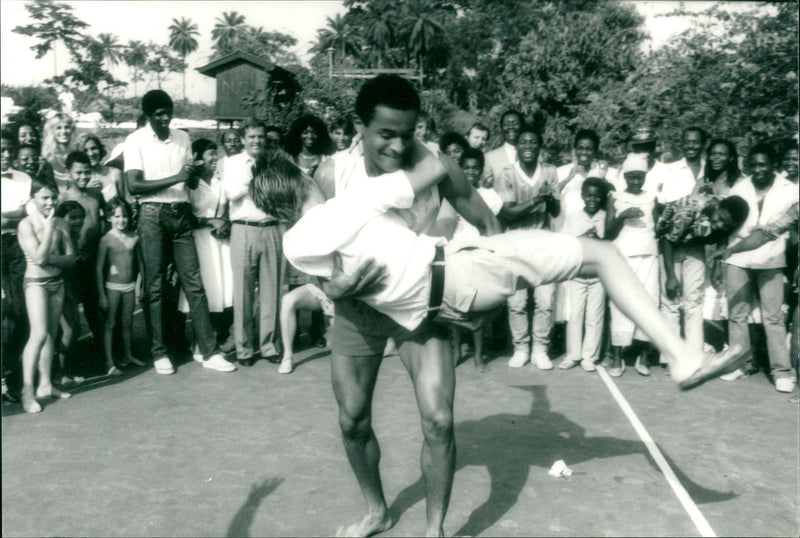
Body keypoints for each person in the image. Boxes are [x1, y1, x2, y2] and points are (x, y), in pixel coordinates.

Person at [252, 148, 741, 392]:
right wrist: (415, 148)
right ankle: (680, 358)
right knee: (604, 255)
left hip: (440, 303)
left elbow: (338, 290)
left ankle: (674, 350)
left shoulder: (295, 246)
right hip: (464, 275)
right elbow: (436, 169)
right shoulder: (351, 203)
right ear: (299, 180)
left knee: (587, 267)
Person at [296, 74, 502, 538]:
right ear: (359, 126)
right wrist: (333, 286)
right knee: (352, 421)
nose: (397, 145)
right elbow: (308, 248)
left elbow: (489, 223)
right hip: (358, 308)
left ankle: (435, 530)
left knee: (439, 421)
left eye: (407, 134)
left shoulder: (438, 167)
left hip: (421, 305)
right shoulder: (333, 173)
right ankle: (376, 511)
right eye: (385, 134)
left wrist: (496, 293)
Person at [125, 89, 234, 375]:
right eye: (159, 114)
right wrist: (176, 177)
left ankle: (209, 352)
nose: (165, 118)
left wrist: (195, 173)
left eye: (168, 112)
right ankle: (159, 352)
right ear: (149, 116)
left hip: (181, 212)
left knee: (195, 283)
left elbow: (191, 184)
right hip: (151, 214)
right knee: (156, 286)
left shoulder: (183, 138)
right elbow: (134, 186)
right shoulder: (134, 140)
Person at [718, 143, 798, 392]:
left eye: (763, 164)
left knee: (772, 317)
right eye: (753, 165)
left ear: (773, 165)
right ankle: (741, 364)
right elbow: (727, 222)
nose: (758, 169)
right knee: (737, 314)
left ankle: (781, 371)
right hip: (738, 257)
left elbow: (780, 230)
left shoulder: (791, 190)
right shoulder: (739, 187)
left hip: (772, 257)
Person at [494, 125, 561, 370]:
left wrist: (551, 197)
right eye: (524, 142)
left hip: (543, 242)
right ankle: (521, 347)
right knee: (517, 302)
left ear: (539, 146)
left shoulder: (550, 172)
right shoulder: (507, 174)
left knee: (545, 300)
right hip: (515, 243)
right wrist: (537, 199)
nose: (529, 147)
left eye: (533, 142)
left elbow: (555, 210)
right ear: (517, 148)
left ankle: (540, 348)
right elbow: (508, 213)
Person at [222, 119, 284, 367]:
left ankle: (268, 346)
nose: (257, 141)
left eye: (260, 137)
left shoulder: (276, 161)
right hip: (244, 229)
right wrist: (253, 175)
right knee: (243, 293)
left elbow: (282, 193)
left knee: (272, 292)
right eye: (252, 137)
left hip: (271, 228)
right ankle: (244, 348)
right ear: (244, 139)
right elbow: (231, 193)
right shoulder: (232, 162)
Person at [436, 147, 504, 371]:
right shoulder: (452, 194)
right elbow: (445, 223)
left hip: (480, 249)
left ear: (482, 170)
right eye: (467, 168)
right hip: (456, 249)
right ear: (461, 170)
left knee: (478, 306)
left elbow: (492, 226)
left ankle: (478, 355)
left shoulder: (489, 196)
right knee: (457, 302)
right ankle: (456, 350)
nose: (472, 172)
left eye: (476, 168)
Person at [17, 181, 75, 413]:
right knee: (38, 334)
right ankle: (26, 391)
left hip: (56, 283)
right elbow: (38, 261)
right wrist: (50, 229)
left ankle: (45, 385)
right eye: (44, 198)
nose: (50, 203)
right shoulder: (26, 225)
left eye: (53, 198)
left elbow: (71, 258)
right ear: (33, 199)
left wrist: (48, 257)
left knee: (51, 333)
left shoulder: (62, 222)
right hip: (36, 284)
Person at [178, 139, 235, 359]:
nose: (215, 158)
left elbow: (228, 208)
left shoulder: (221, 179)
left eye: (216, 154)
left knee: (222, 290)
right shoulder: (191, 184)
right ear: (198, 158)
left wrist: (225, 223)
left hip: (222, 242)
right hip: (200, 241)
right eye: (211, 154)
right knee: (205, 290)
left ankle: (217, 340)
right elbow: (184, 216)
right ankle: (199, 341)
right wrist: (209, 222)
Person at [605, 153, 660, 377]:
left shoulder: (653, 198)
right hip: (623, 259)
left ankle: (644, 356)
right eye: (631, 177)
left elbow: (659, 229)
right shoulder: (615, 197)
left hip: (649, 258)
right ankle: (617, 357)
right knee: (620, 305)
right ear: (625, 176)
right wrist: (622, 216)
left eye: (640, 177)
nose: (636, 181)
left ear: (645, 176)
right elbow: (607, 233)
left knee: (648, 305)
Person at [658, 127, 709, 354]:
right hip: (671, 243)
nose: (691, 146)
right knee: (670, 300)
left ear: (702, 144)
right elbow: (665, 207)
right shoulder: (670, 170)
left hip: (696, 246)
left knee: (694, 302)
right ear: (681, 143)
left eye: (696, 142)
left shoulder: (711, 169)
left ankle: (693, 354)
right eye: (687, 142)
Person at [58, 151, 105, 359]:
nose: (83, 177)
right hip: (73, 262)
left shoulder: (96, 194)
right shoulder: (64, 198)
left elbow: (107, 217)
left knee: (94, 309)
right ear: (68, 173)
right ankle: (67, 360)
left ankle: (102, 353)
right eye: (78, 173)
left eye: (87, 172)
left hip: (94, 258)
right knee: (70, 315)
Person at [558, 177, 608, 372]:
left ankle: (590, 356)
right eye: (588, 195)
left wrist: (597, 240)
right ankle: (573, 355)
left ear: (602, 197)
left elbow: (611, 243)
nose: (592, 199)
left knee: (594, 317)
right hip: (578, 275)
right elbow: (564, 243)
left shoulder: (606, 216)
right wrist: (583, 238)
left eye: (597, 195)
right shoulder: (573, 217)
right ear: (582, 196)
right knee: (575, 315)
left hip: (598, 276)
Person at [2, 131, 33, 399]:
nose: (5, 155)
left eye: (9, 150)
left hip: (16, 245)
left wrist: (6, 217)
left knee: (18, 309)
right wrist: (11, 216)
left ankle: (10, 373)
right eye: (1, 149)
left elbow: (25, 213)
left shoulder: (23, 179)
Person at [96, 198, 142, 375]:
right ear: (109, 218)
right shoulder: (106, 240)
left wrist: (139, 284)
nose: (121, 220)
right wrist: (101, 294)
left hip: (129, 286)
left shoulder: (134, 237)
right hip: (112, 287)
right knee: (110, 324)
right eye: (116, 216)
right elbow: (99, 269)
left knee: (128, 322)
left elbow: (140, 264)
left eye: (124, 216)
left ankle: (129, 355)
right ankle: (109, 362)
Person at [53, 200, 87, 384]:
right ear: (61, 218)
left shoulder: (74, 235)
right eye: (72, 218)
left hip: (69, 287)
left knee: (75, 329)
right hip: (58, 287)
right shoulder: (59, 235)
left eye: (81, 217)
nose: (77, 221)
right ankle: (59, 373)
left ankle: (66, 369)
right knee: (68, 330)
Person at [278, 279, 334, 374]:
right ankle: (287, 356)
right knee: (288, 300)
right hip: (322, 289)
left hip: (347, 293)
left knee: (341, 351)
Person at [482, 110, 522, 186]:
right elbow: (485, 188)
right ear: (501, 128)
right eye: (506, 124)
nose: (511, 127)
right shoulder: (489, 158)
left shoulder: (537, 155)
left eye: (515, 123)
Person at [41, 113, 76, 192]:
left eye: (67, 127)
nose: (63, 131)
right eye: (59, 128)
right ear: (52, 131)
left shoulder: (76, 154)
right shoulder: (47, 157)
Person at [82, 134, 122, 202]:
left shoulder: (115, 173)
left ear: (100, 149)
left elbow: (124, 203)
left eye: (93, 148)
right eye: (85, 150)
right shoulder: (80, 179)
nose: (91, 154)